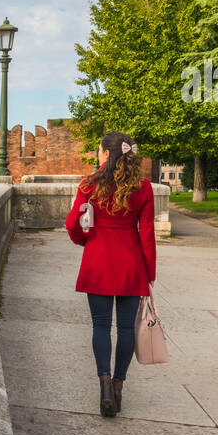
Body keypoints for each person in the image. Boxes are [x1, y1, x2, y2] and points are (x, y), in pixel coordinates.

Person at [64, 132, 156, 418]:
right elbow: (148, 234)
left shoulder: (89, 184)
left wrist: (84, 240)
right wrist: (149, 272)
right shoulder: (142, 187)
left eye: (99, 150)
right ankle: (118, 386)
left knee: (101, 326)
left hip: (99, 260)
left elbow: (73, 224)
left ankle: (103, 383)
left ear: (105, 153)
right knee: (126, 329)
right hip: (130, 263)